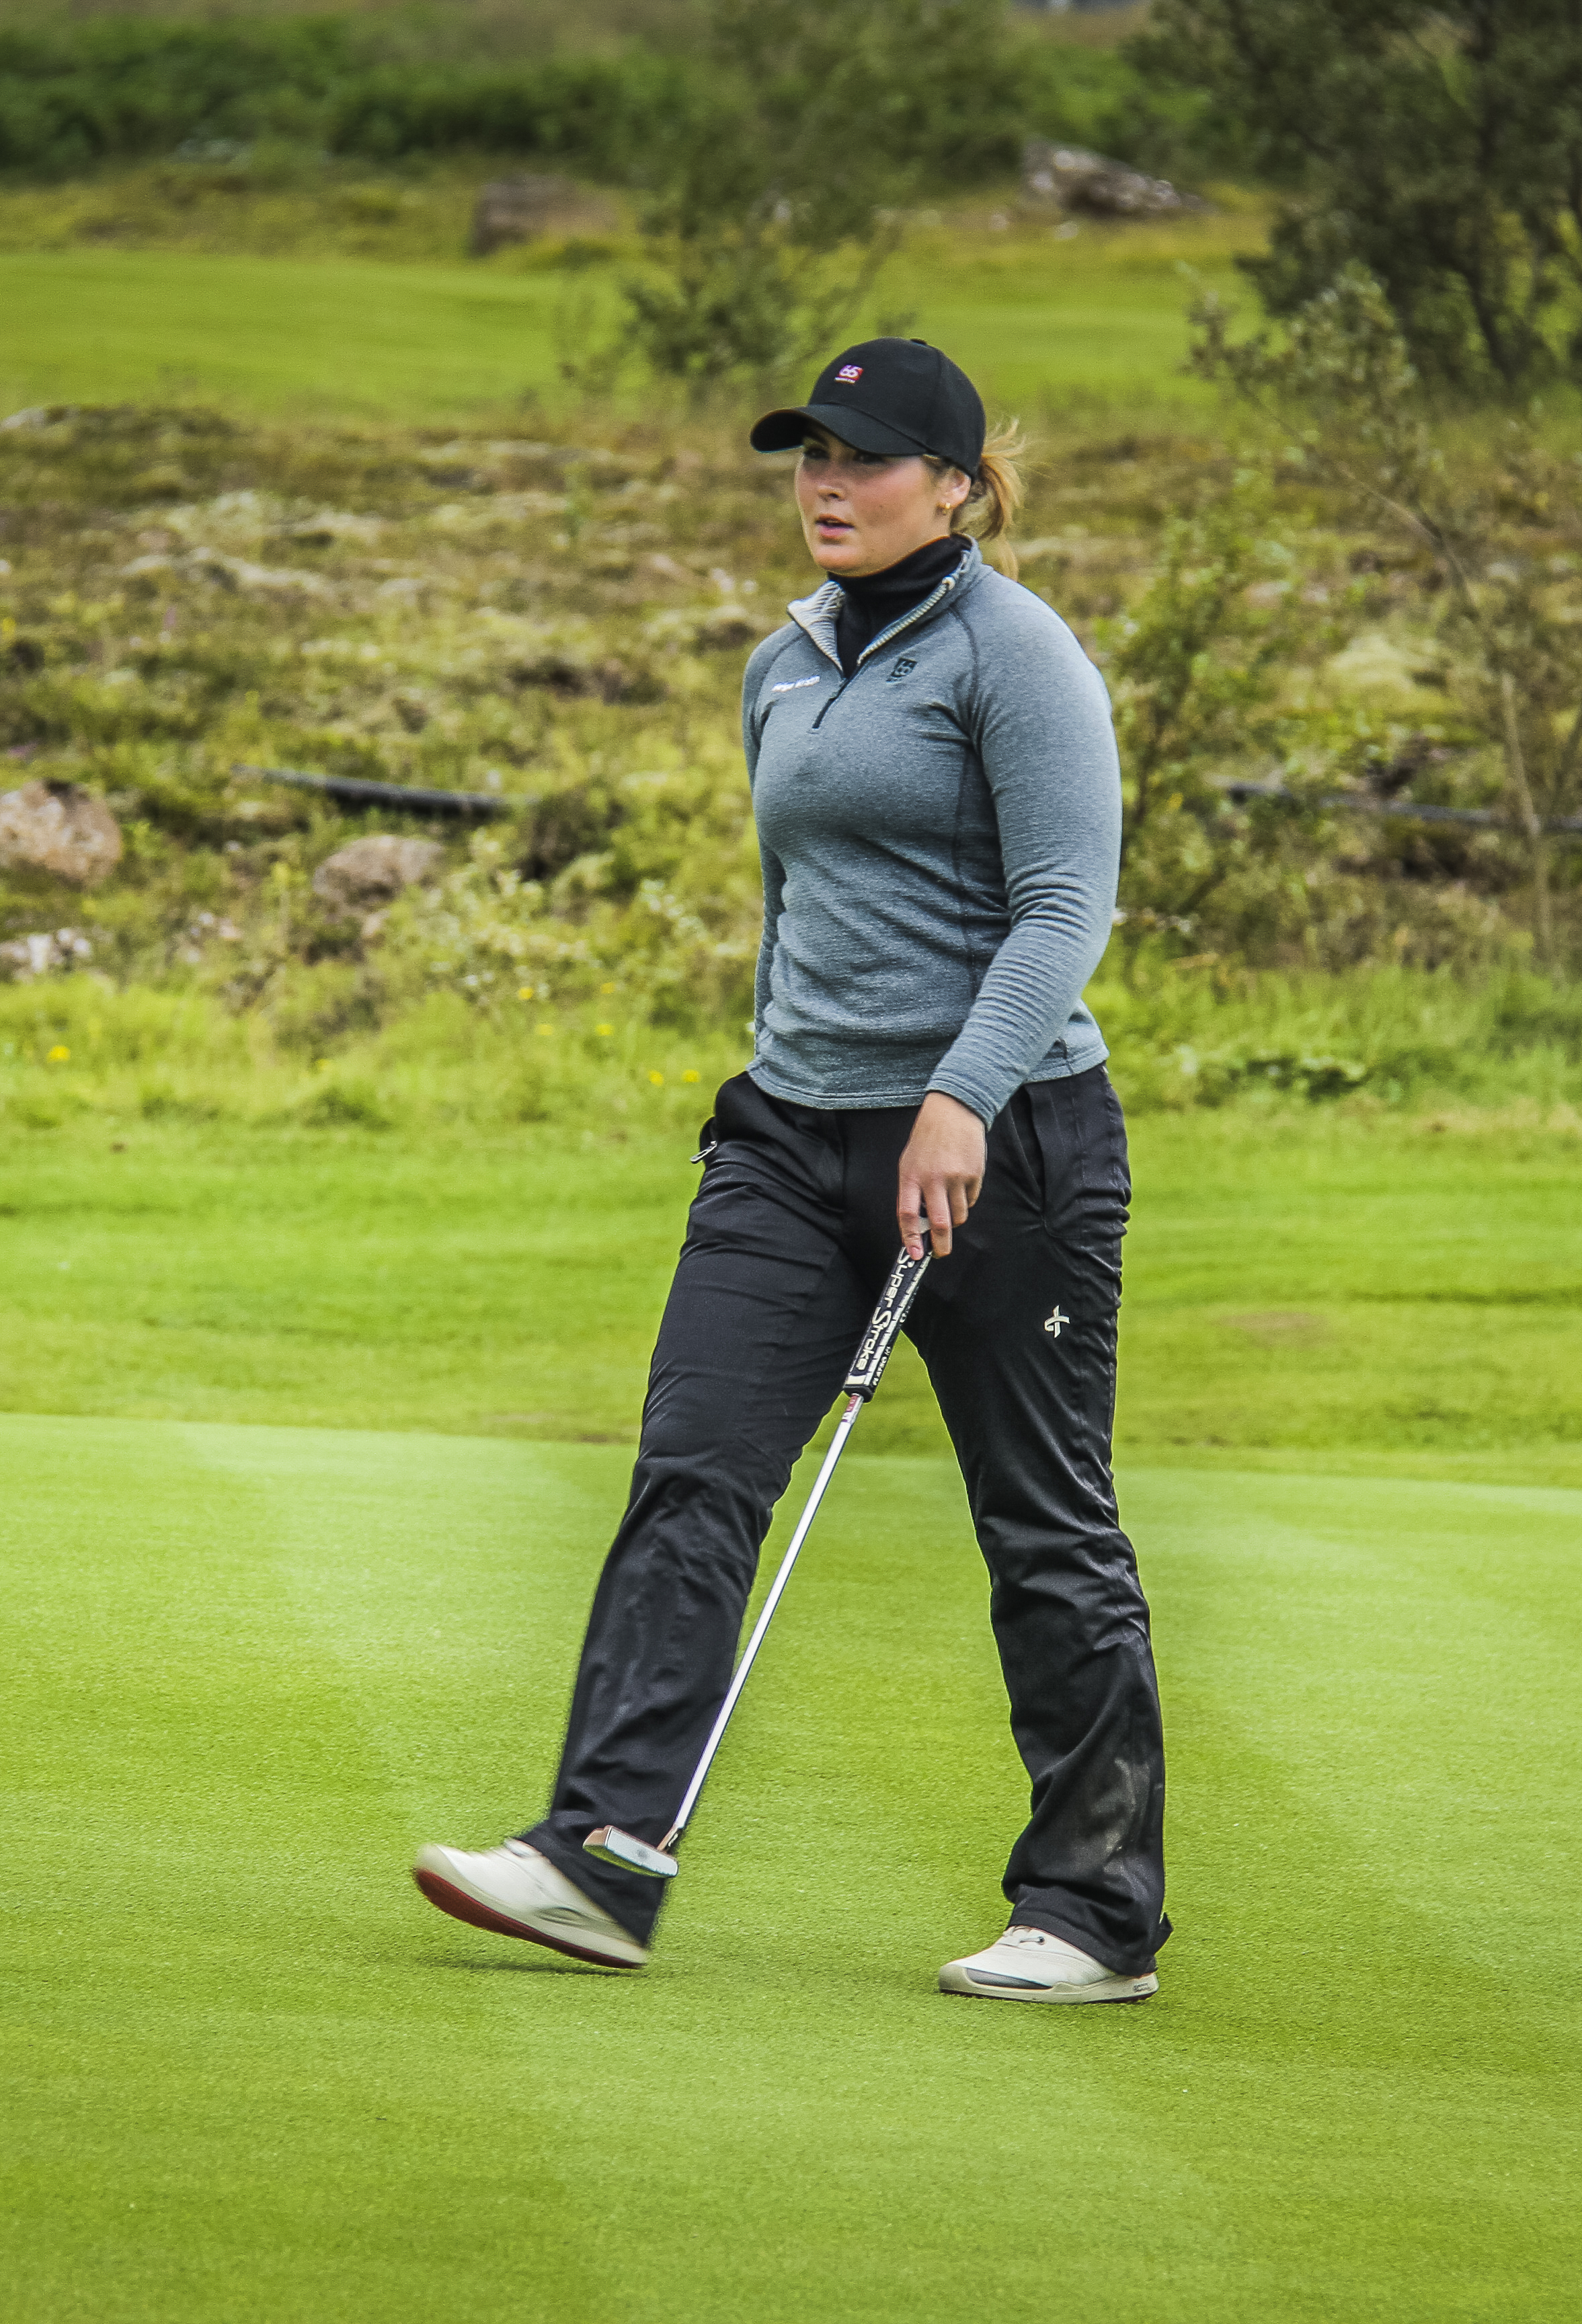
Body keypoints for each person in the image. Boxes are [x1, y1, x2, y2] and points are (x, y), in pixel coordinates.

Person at [413, 339, 1166, 2003]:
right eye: (808, 453)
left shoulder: (1017, 655)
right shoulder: (788, 662)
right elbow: (802, 913)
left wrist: (959, 1098)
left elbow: (1061, 909)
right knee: (693, 1468)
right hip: (791, 1134)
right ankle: (598, 1860)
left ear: (959, 485)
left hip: (1008, 1142)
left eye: (869, 457)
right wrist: (791, 1082)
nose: (827, 481)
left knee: (1043, 1526)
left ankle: (1095, 1913)